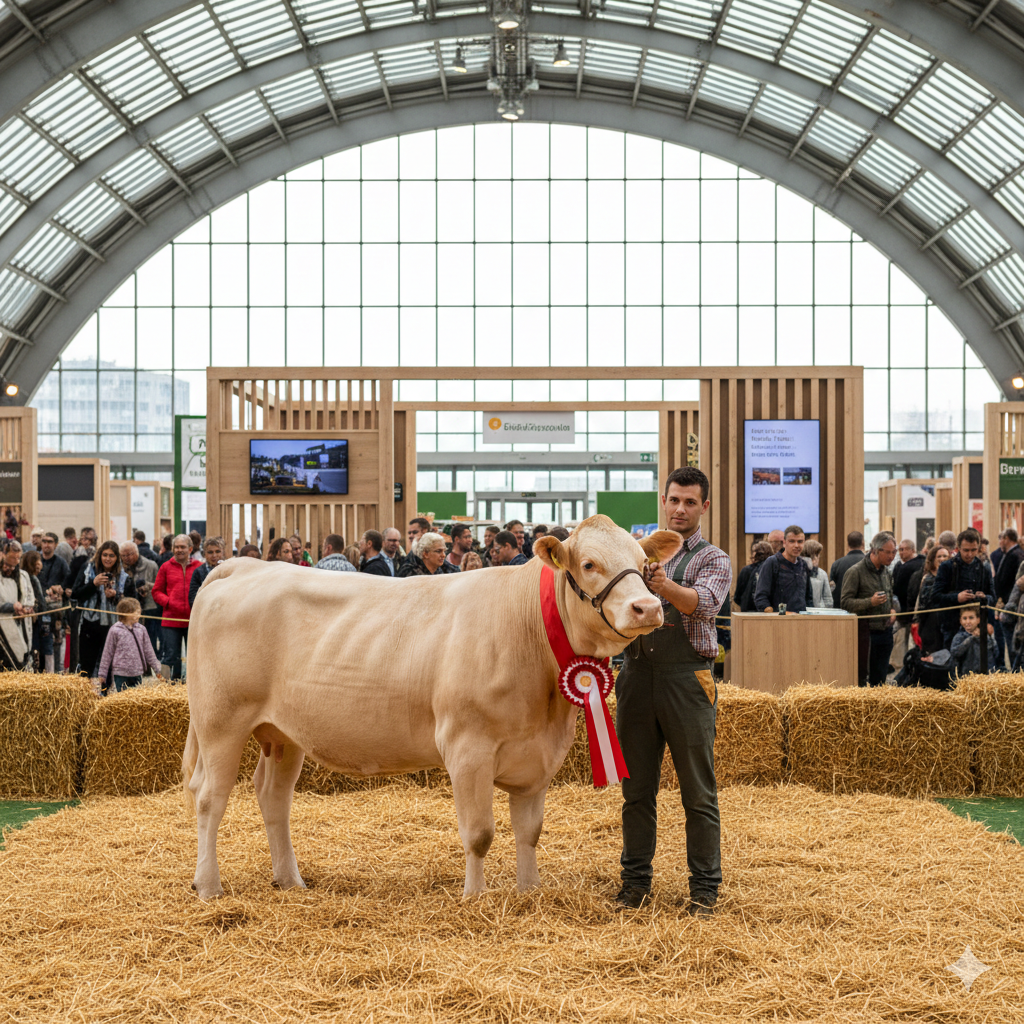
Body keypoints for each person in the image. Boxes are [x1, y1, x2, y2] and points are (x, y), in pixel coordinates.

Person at [615, 466, 732, 915]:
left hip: (688, 679)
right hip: (636, 676)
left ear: (704, 507)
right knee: (635, 791)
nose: (680, 509)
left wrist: (666, 587)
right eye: (674, 500)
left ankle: (704, 890)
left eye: (690, 502)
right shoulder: (634, 553)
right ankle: (634, 885)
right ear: (663, 502)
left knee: (698, 793)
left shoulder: (713, 558)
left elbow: (705, 605)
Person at [72, 540, 135, 689]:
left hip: (113, 625)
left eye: (111, 556)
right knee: (87, 663)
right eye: (105, 555)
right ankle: (85, 693)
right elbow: (75, 594)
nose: (107, 559)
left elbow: (133, 604)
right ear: (100, 555)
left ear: (117, 558)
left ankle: (106, 692)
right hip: (90, 623)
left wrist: (116, 596)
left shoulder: (124, 576)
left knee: (109, 663)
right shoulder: (87, 570)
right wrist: (93, 584)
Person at [840, 532, 897, 687]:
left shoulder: (886, 572)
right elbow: (845, 603)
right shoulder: (855, 572)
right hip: (866, 635)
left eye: (894, 552)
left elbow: (891, 597)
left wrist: (893, 610)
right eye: (888, 552)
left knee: (880, 679)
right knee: (863, 680)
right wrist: (870, 602)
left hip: (886, 632)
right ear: (875, 550)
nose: (892, 556)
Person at [933, 528, 995, 651]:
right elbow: (935, 597)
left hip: (977, 626)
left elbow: (993, 597)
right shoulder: (947, 567)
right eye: (966, 550)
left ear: (979, 548)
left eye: (973, 550)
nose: (969, 554)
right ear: (958, 548)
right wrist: (957, 597)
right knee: (953, 659)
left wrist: (984, 598)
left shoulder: (984, 568)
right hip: (952, 626)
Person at [151, 534, 197, 681]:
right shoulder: (165, 567)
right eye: (176, 547)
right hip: (171, 620)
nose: (179, 550)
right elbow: (156, 591)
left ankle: (193, 684)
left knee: (194, 654)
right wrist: (168, 602)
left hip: (193, 620)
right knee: (171, 655)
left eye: (182, 547)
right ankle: (168, 686)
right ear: (172, 549)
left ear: (190, 549)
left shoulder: (199, 567)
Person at [96, 597, 160, 692]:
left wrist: (157, 669)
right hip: (120, 673)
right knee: (123, 697)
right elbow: (107, 653)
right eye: (136, 612)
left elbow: (149, 651)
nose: (139, 615)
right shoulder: (115, 630)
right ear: (126, 613)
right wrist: (102, 674)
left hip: (137, 672)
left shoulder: (141, 629)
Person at [754, 525, 813, 613]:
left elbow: (808, 598)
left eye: (800, 541)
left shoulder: (803, 565)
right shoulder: (772, 563)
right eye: (792, 541)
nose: (796, 545)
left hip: (800, 619)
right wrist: (780, 614)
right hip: (778, 620)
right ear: (784, 543)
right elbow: (760, 598)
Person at [120, 541, 160, 658]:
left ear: (137, 553)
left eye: (129, 554)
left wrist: (147, 586)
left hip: (148, 608)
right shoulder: (119, 568)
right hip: (127, 610)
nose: (127, 558)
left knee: (149, 640)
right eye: (123, 555)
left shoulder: (151, 565)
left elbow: (159, 586)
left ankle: (149, 663)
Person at [0, 539, 34, 670]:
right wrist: (12, 607)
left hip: (20, 627)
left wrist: (27, 608)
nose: (11, 568)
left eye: (17, 560)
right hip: (2, 629)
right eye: (8, 564)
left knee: (21, 660)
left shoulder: (23, 576)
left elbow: (29, 597)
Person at [913, 545, 950, 654]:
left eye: (945, 556)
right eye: (939, 556)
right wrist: (916, 619)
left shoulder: (952, 576)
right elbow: (920, 600)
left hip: (947, 619)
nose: (942, 559)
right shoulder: (927, 578)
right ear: (933, 559)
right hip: (929, 621)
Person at [994, 528, 1022, 668]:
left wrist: (1007, 606)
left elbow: (1015, 584)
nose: (1000, 542)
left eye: (1001, 538)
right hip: (1007, 604)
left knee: (1014, 646)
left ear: (1006, 539)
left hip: (1013, 607)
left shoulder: (1016, 555)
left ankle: (1016, 672)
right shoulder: (1010, 554)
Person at [950, 605, 998, 676]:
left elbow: (995, 653)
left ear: (978, 620)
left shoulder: (985, 636)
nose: (968, 621)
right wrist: (970, 639)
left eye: (971, 618)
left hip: (986, 676)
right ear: (960, 621)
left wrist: (990, 636)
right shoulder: (959, 637)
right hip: (966, 676)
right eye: (964, 618)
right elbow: (955, 653)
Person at [733, 540, 774, 612]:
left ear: (755, 554)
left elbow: (737, 597)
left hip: (747, 612)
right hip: (768, 611)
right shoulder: (774, 569)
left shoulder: (746, 570)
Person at [828, 531, 865, 609]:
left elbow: (832, 588)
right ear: (863, 543)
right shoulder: (869, 563)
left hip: (841, 610)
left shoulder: (836, 564)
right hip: (865, 610)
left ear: (847, 544)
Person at [188, 536, 225, 607]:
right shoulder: (198, 572)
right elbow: (193, 598)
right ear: (205, 554)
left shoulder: (230, 570)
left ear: (222, 553)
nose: (214, 555)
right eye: (210, 552)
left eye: (218, 551)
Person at [802, 540, 833, 608]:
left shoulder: (822, 574)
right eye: (816, 555)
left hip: (819, 611)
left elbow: (828, 599)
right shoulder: (798, 571)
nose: (818, 558)